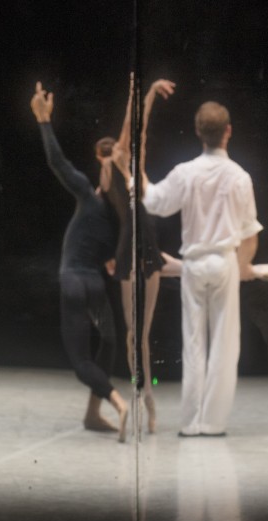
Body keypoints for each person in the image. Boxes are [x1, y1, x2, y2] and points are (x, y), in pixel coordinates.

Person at [141, 101, 262, 436]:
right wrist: (244, 267)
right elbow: (250, 233)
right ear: (228, 131)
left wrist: (133, 171)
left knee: (193, 342)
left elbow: (154, 202)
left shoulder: (186, 172)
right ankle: (212, 423)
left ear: (198, 132)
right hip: (223, 261)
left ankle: (191, 423)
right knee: (225, 343)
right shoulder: (240, 176)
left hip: (194, 264)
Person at [31, 82, 130, 441]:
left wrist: (44, 120)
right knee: (108, 341)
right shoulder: (122, 214)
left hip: (74, 282)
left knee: (80, 361)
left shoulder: (89, 196)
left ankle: (118, 402)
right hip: (96, 287)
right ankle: (93, 414)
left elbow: (57, 162)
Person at [103, 76, 176, 433]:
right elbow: (128, 130)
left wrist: (146, 96)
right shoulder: (113, 172)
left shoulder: (137, 170)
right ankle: (139, 394)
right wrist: (135, 96)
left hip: (148, 251)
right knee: (133, 334)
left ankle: (148, 399)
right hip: (128, 252)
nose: (123, 146)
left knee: (143, 334)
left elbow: (139, 131)